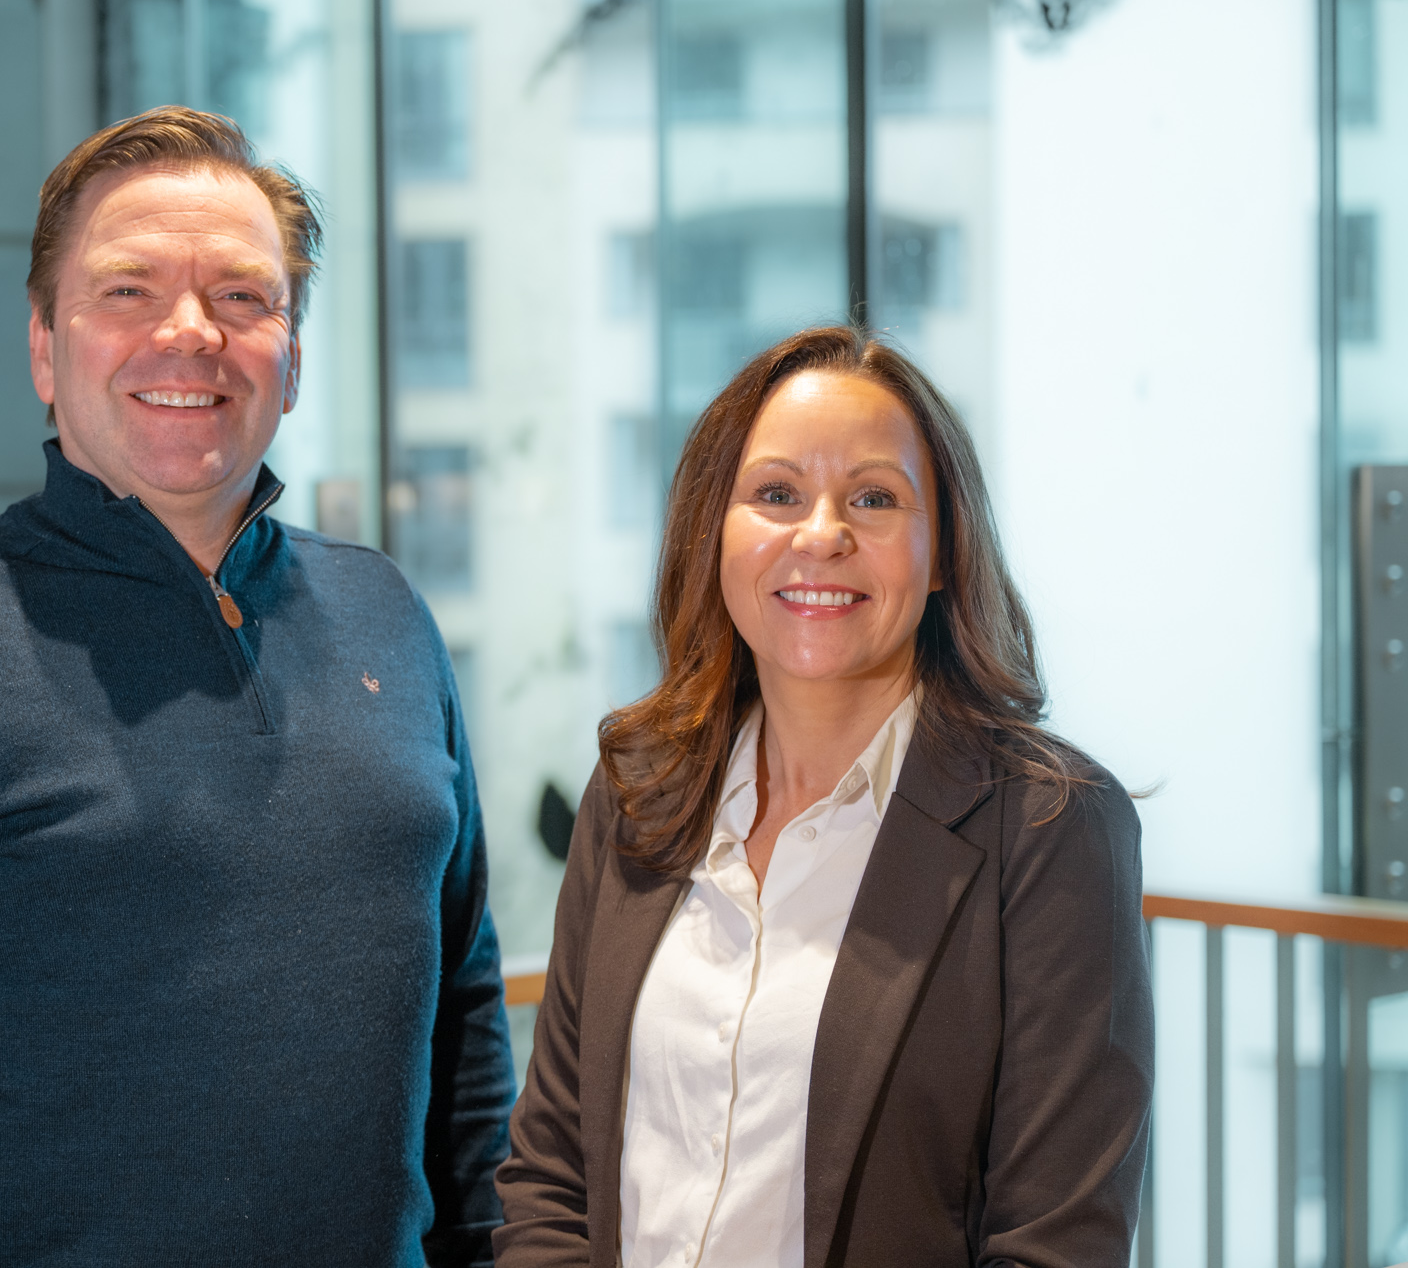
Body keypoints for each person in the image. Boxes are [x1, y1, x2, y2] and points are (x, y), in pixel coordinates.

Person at [0, 106, 513, 1268]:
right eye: (127, 291)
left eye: (241, 296)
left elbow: (464, 1011)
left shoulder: (384, 613)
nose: (189, 332)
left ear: (293, 359)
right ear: (45, 351)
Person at [493, 326, 1153, 1267]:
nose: (820, 534)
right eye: (776, 494)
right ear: (715, 535)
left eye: (874, 498)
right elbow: (553, 1167)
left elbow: (1055, 1241)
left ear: (942, 553)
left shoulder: (1051, 830)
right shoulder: (638, 789)